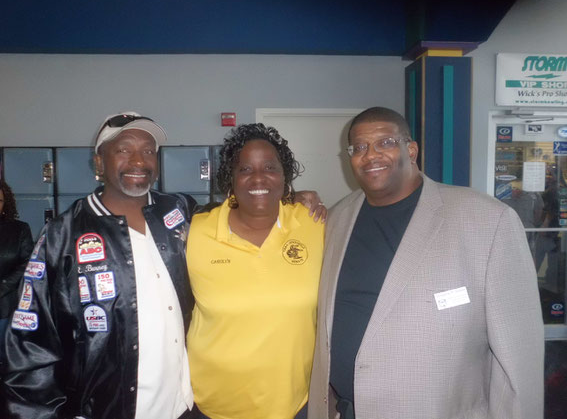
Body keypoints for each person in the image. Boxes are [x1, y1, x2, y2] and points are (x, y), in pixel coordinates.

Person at [308, 107, 545, 419]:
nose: (371, 156)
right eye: (359, 147)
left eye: (385, 143)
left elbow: (519, 357)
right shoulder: (337, 218)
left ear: (411, 149)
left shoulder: (487, 220)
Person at [1, 112, 198, 419]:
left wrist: (295, 199)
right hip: (107, 409)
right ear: (98, 163)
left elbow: (236, 217)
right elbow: (31, 346)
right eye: (123, 150)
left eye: (148, 151)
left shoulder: (177, 210)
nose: (139, 161)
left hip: (181, 403)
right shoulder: (63, 235)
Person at [186, 123, 325, 419]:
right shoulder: (194, 233)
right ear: (231, 178)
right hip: (214, 405)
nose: (259, 178)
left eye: (270, 168)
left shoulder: (316, 225)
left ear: (284, 175)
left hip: (296, 404)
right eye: (245, 169)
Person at [0, 181, 33, 364]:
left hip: (5, 306)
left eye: (0, 200)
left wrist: (3, 286)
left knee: (7, 361)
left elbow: (28, 263)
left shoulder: (19, 229)